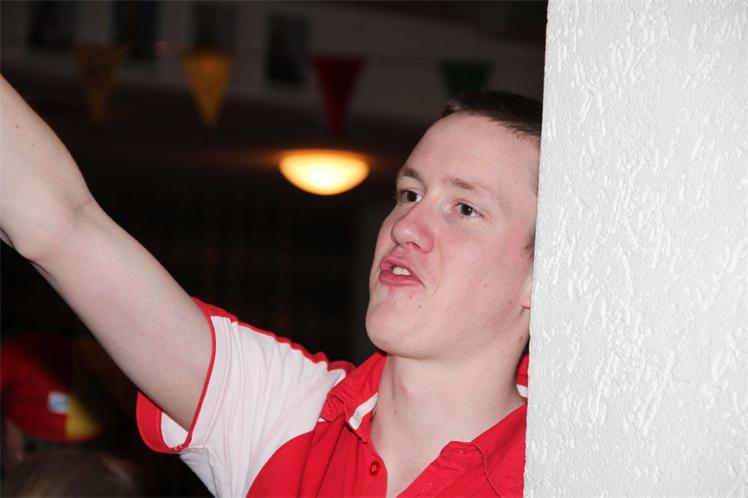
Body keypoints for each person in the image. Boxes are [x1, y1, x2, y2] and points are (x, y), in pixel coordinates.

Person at [0, 75, 540, 497]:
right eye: (409, 194)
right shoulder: (287, 412)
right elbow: (64, 227)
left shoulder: (564, 470)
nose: (405, 227)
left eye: (465, 209)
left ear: (543, 278)